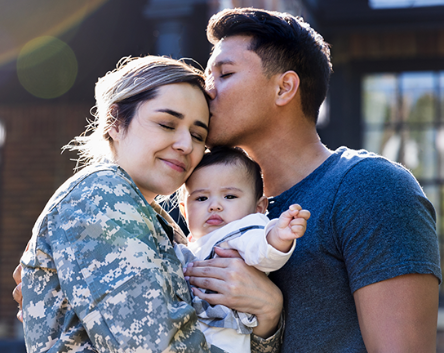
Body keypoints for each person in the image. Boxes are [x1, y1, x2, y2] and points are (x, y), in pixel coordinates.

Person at [182, 7, 442, 352]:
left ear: (284, 88)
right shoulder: (210, 206)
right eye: (206, 78)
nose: (207, 91)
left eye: (224, 74)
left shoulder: (371, 188)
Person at [16, 55, 282, 353]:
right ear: (115, 122)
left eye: (198, 135)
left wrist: (268, 312)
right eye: (167, 124)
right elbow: (154, 346)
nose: (185, 145)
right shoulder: (101, 194)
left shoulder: (157, 219)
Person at [174, 146, 310, 353]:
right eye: (202, 198)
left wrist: (278, 236)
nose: (214, 206)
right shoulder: (193, 243)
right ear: (185, 209)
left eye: (229, 196)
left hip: (225, 339)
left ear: (259, 208)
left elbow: (261, 250)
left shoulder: (241, 230)